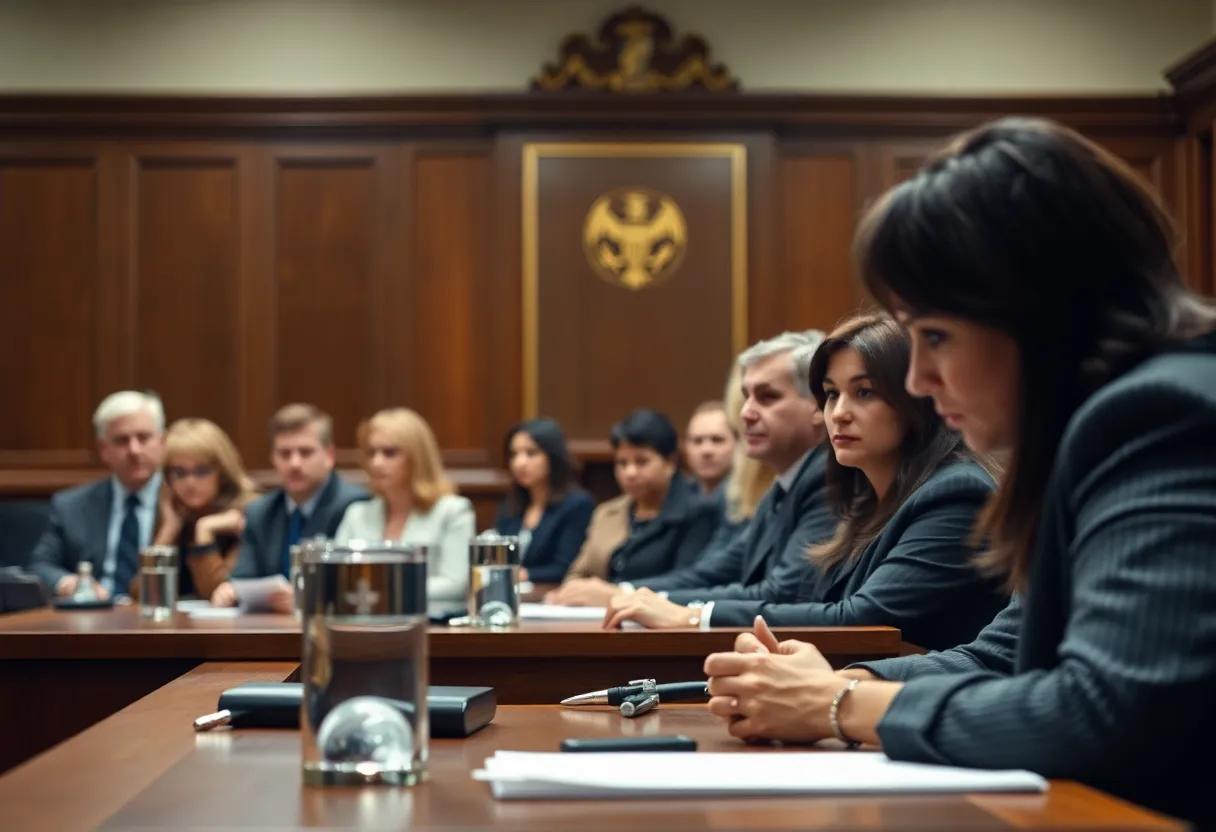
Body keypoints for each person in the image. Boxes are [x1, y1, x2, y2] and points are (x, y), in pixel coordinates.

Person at [703, 118, 1216, 829]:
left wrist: (838, 706)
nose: (918, 376)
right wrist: (836, 679)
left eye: (935, 336)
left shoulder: (1158, 415)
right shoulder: (1099, 425)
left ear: (1038, 310)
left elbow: (1108, 712)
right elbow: (1007, 653)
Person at [608, 313, 1006, 651]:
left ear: (916, 400)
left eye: (864, 392)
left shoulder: (954, 494)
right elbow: (805, 597)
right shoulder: (867, 499)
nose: (839, 413)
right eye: (832, 395)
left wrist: (695, 617)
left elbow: (861, 618)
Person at [564, 331, 835, 612]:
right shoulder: (781, 488)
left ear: (818, 405)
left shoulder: (826, 480)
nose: (746, 413)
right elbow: (712, 571)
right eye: (746, 397)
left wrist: (659, 605)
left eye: (767, 397)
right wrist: (625, 592)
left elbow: (783, 593)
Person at [546, 409, 719, 602]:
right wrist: (572, 593)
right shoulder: (607, 512)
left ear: (670, 462)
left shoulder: (697, 511)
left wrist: (615, 594)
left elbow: (687, 581)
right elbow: (578, 574)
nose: (630, 472)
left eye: (641, 461)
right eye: (622, 463)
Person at [211, 404, 368, 611]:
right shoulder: (260, 512)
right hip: (270, 631)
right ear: (272, 458)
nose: (294, 463)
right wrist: (230, 589)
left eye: (305, 452)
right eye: (284, 454)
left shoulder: (355, 507)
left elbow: (355, 588)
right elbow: (244, 577)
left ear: (329, 455)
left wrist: (307, 598)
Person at [28, 391, 165, 599]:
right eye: (121, 440)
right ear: (103, 449)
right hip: (93, 619)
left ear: (162, 441)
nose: (134, 450)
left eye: (143, 437)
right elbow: (40, 565)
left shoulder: (183, 502)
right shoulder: (72, 505)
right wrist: (71, 584)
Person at [334, 408, 476, 605]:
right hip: (363, 624)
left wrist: (385, 590)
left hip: (432, 628)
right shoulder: (357, 514)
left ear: (417, 457)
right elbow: (336, 577)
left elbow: (455, 584)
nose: (376, 462)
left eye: (389, 453)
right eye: (371, 453)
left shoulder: (452, 512)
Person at [148, 418, 260, 599]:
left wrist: (204, 531)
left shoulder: (251, 512)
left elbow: (218, 593)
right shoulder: (175, 513)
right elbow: (143, 595)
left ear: (222, 472)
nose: (190, 483)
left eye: (201, 471)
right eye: (179, 473)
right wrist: (168, 531)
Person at [494, 418, 594, 585]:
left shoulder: (577, 504)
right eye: (514, 454)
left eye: (531, 453)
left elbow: (565, 567)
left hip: (553, 597)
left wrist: (525, 575)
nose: (520, 463)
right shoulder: (509, 506)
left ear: (552, 456)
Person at [684, 401, 736, 498]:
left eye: (717, 440)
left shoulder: (750, 499)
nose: (706, 450)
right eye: (697, 441)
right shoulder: (671, 498)